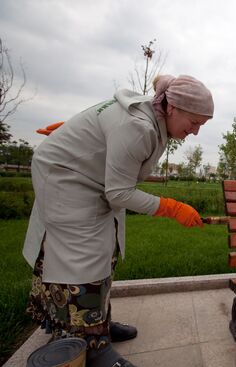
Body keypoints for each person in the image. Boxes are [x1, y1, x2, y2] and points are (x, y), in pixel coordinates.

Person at [23, 74, 214, 367]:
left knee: (105, 249)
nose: (196, 132)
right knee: (83, 257)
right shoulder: (138, 127)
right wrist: (171, 207)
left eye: (202, 125)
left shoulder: (154, 117)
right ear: (173, 108)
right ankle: (92, 346)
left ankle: (98, 325)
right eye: (195, 122)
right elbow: (119, 192)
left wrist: (83, 139)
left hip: (87, 176)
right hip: (66, 178)